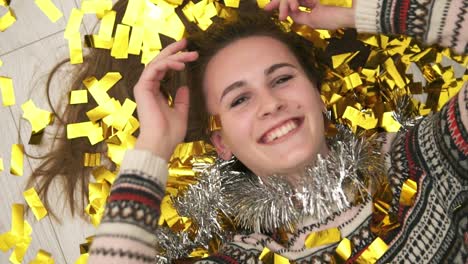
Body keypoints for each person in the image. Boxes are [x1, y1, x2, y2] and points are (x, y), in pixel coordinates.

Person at [30, 0, 467, 263]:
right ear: (221, 143)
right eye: (239, 99)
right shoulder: (246, 255)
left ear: (318, 95)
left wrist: (356, 12)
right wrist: (153, 148)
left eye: (281, 79)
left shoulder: (420, 158)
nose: (271, 104)